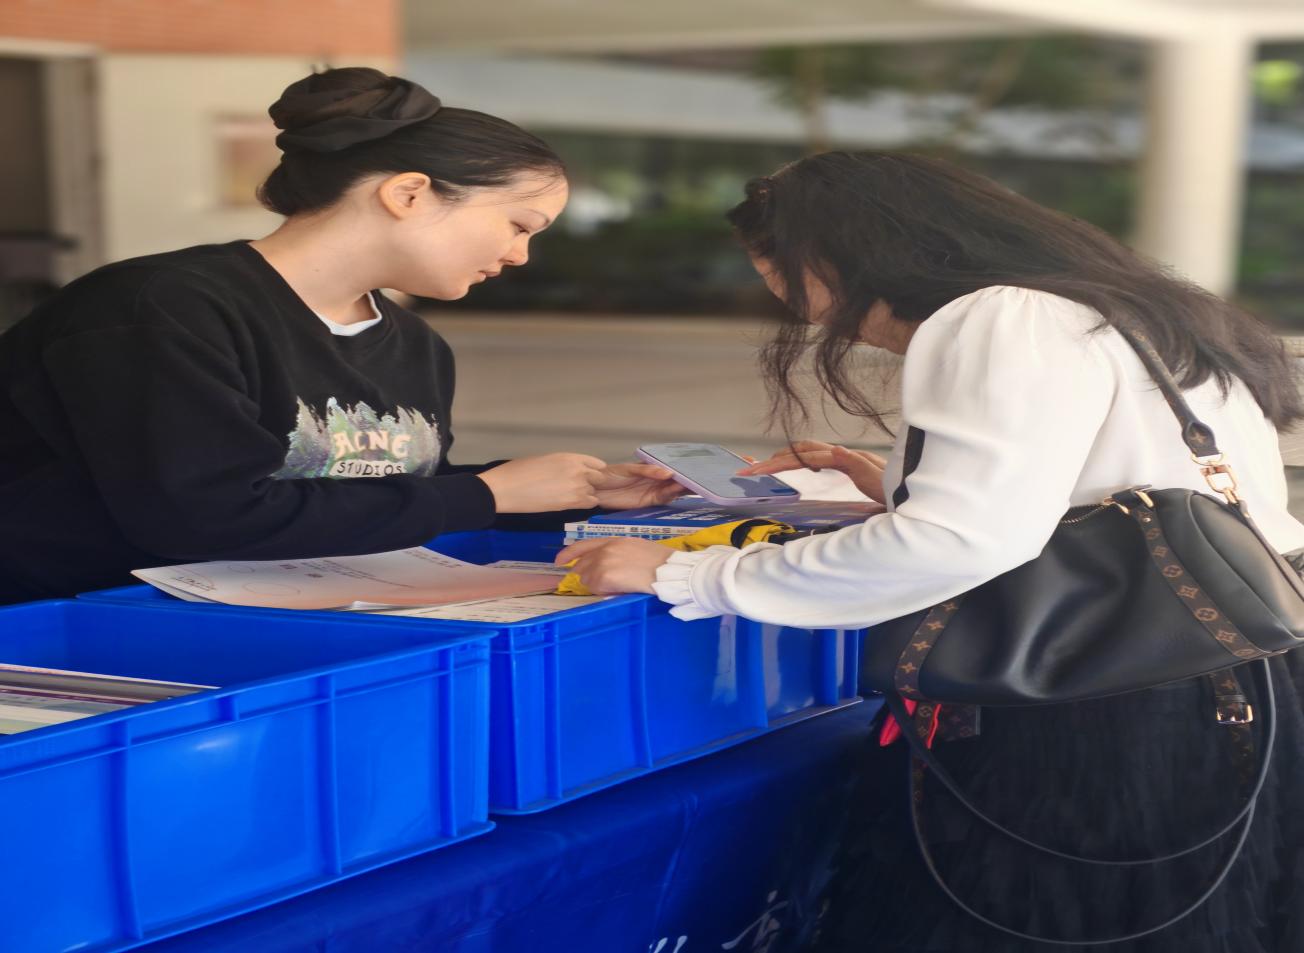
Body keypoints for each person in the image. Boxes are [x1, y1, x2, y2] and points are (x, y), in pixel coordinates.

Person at [559, 152, 1304, 951]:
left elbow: (963, 538)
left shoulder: (1002, 316)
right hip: (1221, 676)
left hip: (1091, 708)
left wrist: (693, 573)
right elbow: (1104, 491)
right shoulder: (1135, 312)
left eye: (775, 271)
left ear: (838, 253)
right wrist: (892, 487)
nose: (786, 301)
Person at [0, 68, 679, 604]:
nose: (519, 256)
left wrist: (567, 492)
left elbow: (362, 491)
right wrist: (488, 494)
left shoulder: (414, 344)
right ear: (409, 193)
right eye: (518, 225)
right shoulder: (160, 308)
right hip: (69, 644)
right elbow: (205, 514)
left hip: (269, 633)